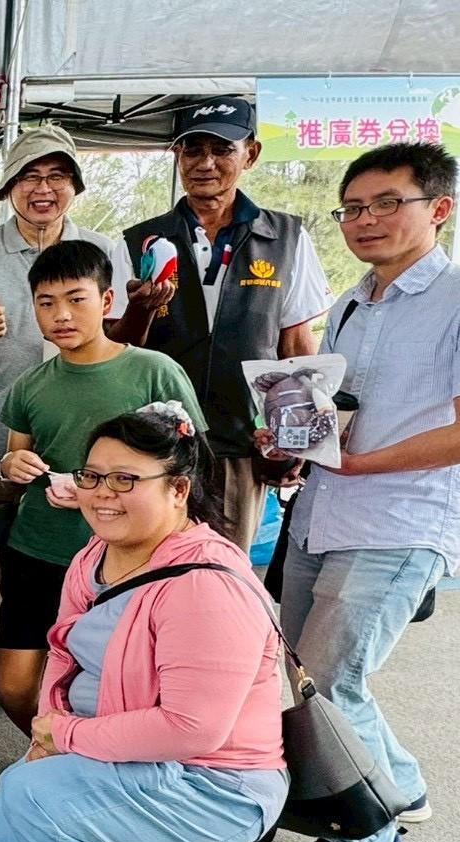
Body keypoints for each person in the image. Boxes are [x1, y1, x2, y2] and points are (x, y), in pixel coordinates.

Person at [0, 405, 287, 842]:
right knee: (22, 802)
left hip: (217, 784)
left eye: (126, 479)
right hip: (142, 758)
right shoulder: (96, 554)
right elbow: (63, 648)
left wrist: (66, 736)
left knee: (24, 808)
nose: (103, 493)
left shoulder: (205, 587)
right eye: (93, 476)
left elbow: (190, 729)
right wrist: (43, 733)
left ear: (178, 489)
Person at [272, 142, 460, 842]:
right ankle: (401, 783)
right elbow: (341, 413)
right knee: (302, 670)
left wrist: (357, 463)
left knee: (326, 675)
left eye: (386, 203)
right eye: (351, 207)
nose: (364, 219)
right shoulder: (351, 301)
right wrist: (294, 436)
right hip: (325, 508)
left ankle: (367, 839)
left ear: (437, 209)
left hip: (400, 520)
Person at [0, 241, 205, 736]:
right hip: (39, 547)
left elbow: (193, 468)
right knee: (13, 684)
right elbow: (11, 458)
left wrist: (114, 489)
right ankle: (56, 750)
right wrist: (11, 465)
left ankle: (86, 760)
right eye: (46, 303)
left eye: (76, 299)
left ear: (107, 301)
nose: (61, 314)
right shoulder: (30, 385)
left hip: (128, 559)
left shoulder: (154, 371)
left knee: (114, 683)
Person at [105, 97, 328, 551]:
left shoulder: (286, 237)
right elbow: (116, 351)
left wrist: (297, 439)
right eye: (193, 149)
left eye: (222, 149)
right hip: (157, 444)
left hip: (241, 443)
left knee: (224, 568)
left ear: (252, 154)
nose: (205, 163)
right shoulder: (137, 240)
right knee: (149, 563)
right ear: (177, 156)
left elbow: (297, 347)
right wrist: (141, 309)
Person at [0, 125, 112, 728]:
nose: (43, 189)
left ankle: (67, 677)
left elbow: (120, 338)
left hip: (76, 449)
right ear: (9, 187)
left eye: (56, 176)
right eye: (30, 177)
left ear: (74, 185)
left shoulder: (100, 249)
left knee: (73, 568)